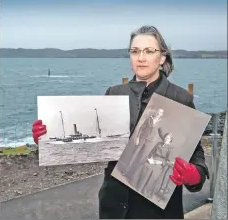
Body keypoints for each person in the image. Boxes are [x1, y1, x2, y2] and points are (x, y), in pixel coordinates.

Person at [32, 25, 209, 219]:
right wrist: (49, 137)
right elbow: (91, 142)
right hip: (114, 207)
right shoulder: (115, 93)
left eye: (149, 51)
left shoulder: (179, 98)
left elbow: (196, 153)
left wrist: (195, 175)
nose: (141, 57)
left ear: (162, 57)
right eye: (135, 51)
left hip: (159, 211)